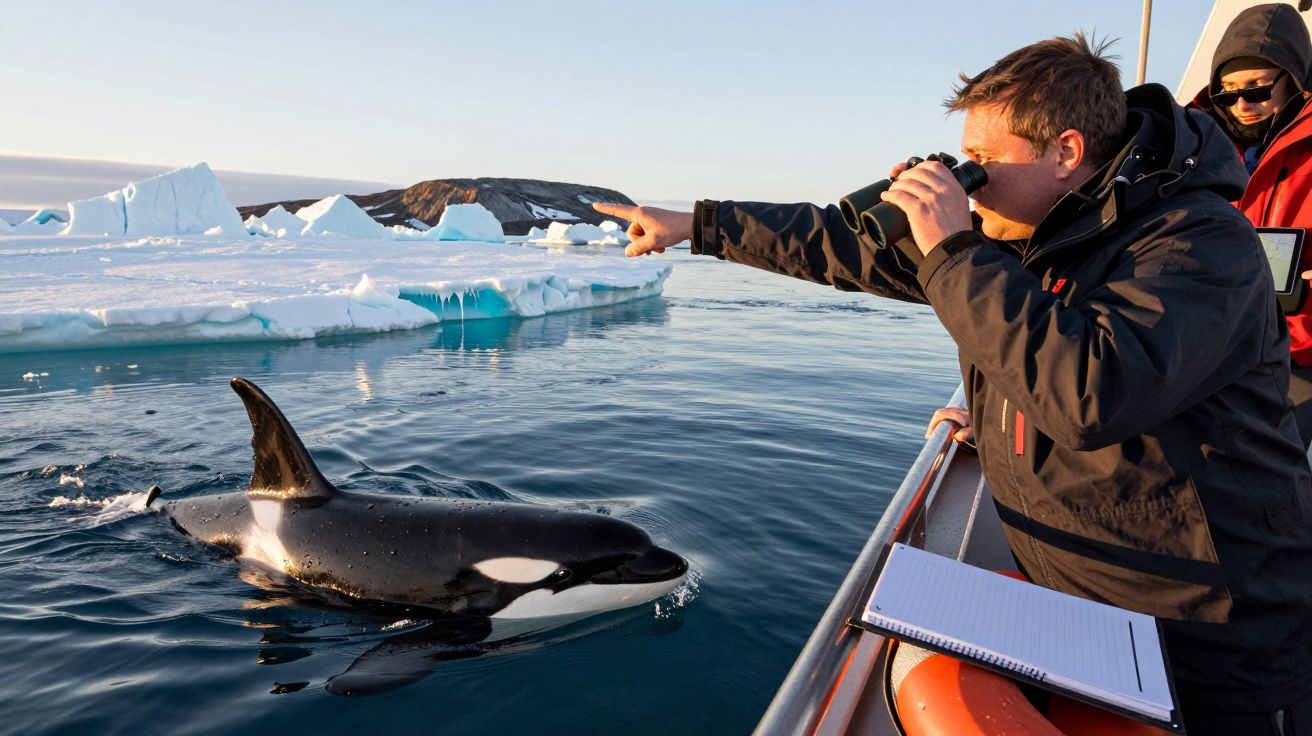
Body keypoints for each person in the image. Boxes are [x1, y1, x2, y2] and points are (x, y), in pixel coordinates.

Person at [596, 34, 1312, 733]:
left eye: (980, 161)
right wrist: (698, 224)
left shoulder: (1198, 242)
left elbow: (1090, 392)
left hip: (1212, 639)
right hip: (1092, 612)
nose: (967, 178)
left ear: (1066, 152)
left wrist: (953, 246)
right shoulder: (1032, 232)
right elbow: (839, 245)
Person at [1192, 3, 1312, 448]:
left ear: (1294, 78)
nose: (1241, 105)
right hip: (1207, 346)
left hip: (1298, 350)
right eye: (1225, 93)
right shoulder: (1189, 148)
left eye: (1258, 89)